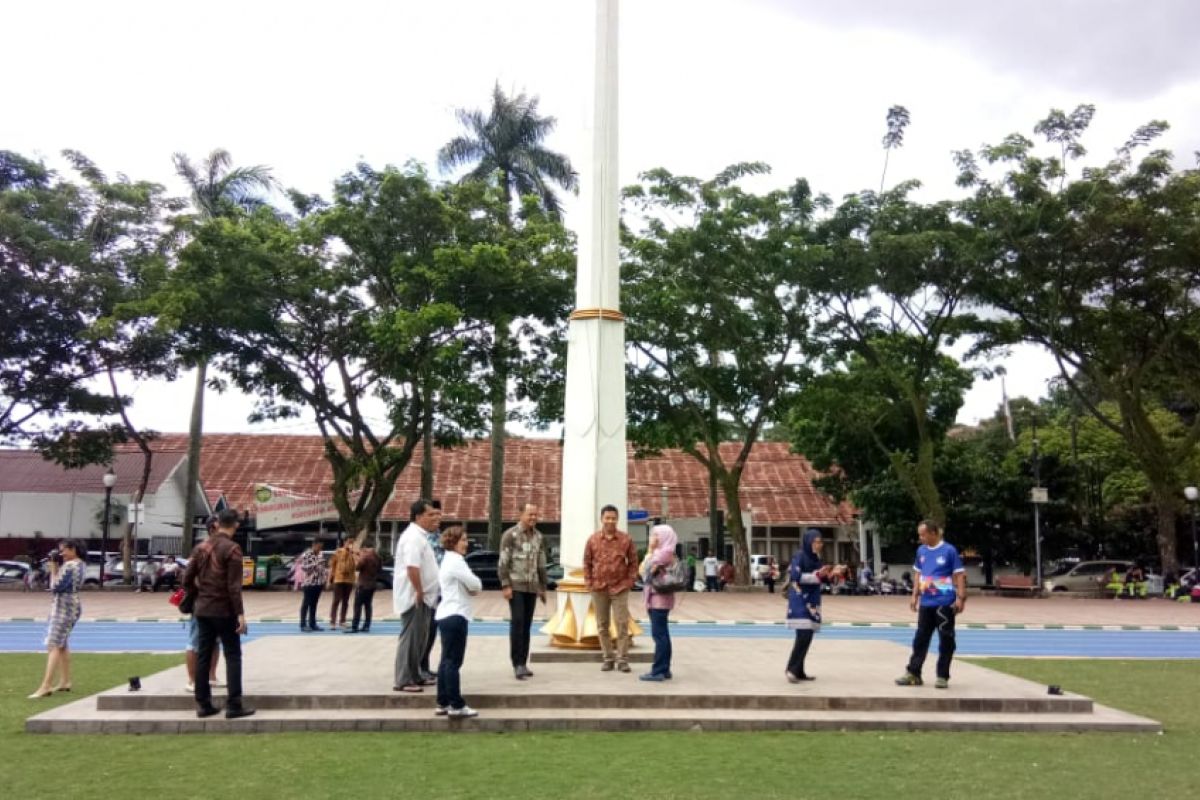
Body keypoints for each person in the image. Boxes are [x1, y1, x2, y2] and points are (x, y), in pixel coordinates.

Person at [183, 508, 254, 719]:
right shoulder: (232, 549)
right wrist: (240, 614)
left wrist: (199, 592)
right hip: (224, 610)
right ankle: (234, 704)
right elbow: (234, 587)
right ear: (236, 525)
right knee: (232, 654)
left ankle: (203, 704)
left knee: (203, 654)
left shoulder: (201, 548)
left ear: (217, 523)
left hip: (202, 609)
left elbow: (186, 579)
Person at [896, 520, 966, 690]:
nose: (920, 538)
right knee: (920, 638)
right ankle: (914, 673)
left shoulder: (949, 550)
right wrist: (915, 595)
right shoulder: (921, 551)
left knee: (946, 639)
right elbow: (918, 574)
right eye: (919, 534)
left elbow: (959, 575)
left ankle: (942, 676)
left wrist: (961, 598)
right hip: (926, 603)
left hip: (944, 603)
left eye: (923, 534)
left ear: (933, 533)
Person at [583, 504, 639, 673]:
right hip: (599, 589)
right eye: (607, 518)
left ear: (617, 519)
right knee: (602, 625)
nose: (610, 521)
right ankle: (608, 657)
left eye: (613, 518)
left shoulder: (626, 540)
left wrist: (629, 581)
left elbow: (634, 563)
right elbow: (587, 562)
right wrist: (589, 582)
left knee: (622, 623)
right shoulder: (592, 540)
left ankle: (622, 659)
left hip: (620, 588)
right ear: (601, 519)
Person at [393, 499, 441, 693]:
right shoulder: (413, 537)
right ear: (418, 517)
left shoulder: (422, 537)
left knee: (420, 639)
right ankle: (403, 679)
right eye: (430, 515)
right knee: (411, 638)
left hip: (425, 596)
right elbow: (412, 567)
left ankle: (415, 675)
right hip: (415, 596)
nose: (435, 519)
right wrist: (419, 590)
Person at [434, 526, 482, 718]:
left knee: (445, 660)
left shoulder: (448, 560)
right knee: (453, 661)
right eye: (463, 540)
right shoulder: (456, 561)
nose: (466, 543)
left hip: (447, 614)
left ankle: (442, 701)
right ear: (453, 542)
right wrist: (472, 587)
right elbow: (475, 584)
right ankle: (456, 704)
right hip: (456, 614)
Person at [29, 539, 86, 698]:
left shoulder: (70, 566)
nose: (61, 554)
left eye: (63, 551)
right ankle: (65, 681)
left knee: (53, 644)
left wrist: (53, 568)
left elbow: (55, 586)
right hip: (70, 606)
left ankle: (46, 685)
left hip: (64, 608)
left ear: (73, 549)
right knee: (62, 645)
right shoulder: (81, 564)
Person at [498, 502, 548, 680]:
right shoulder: (510, 535)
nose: (533, 518)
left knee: (527, 625)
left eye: (535, 514)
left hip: (531, 586)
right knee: (517, 623)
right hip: (516, 586)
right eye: (530, 514)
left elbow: (541, 563)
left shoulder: (539, 537)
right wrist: (505, 585)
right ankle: (516, 663)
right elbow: (503, 561)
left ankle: (523, 662)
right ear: (520, 514)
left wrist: (542, 586)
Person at [786, 529, 831, 682]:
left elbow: (821, 578)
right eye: (816, 541)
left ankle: (799, 670)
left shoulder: (817, 559)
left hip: (812, 600)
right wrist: (817, 575)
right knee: (803, 634)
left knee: (807, 635)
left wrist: (831, 574)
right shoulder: (799, 556)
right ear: (809, 542)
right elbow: (795, 576)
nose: (820, 545)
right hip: (800, 600)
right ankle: (791, 669)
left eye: (821, 542)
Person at [639, 524, 679, 682]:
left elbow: (643, 572)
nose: (652, 538)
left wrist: (649, 550)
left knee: (659, 635)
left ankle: (658, 671)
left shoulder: (662, 554)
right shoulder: (667, 553)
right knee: (663, 635)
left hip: (658, 599)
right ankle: (665, 668)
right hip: (661, 598)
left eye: (655, 535)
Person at [347, 542, 381, 633]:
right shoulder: (377, 557)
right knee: (368, 605)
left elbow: (357, 567)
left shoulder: (365, 557)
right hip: (372, 584)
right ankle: (366, 625)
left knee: (357, 605)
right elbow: (379, 569)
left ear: (365, 548)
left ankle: (355, 626)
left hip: (363, 585)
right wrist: (358, 554)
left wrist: (356, 558)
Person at [296, 539, 328, 632]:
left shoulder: (320, 554)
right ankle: (303, 624)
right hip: (309, 583)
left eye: (321, 547)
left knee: (314, 604)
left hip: (318, 582)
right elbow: (304, 568)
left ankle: (312, 623)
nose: (320, 549)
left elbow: (322, 568)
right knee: (306, 603)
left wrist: (324, 577)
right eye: (318, 546)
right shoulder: (307, 554)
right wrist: (316, 563)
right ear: (314, 545)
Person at [327, 538, 356, 629]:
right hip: (338, 579)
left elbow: (357, 565)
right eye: (349, 542)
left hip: (349, 580)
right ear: (345, 543)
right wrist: (329, 580)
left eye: (352, 543)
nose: (350, 544)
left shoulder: (354, 554)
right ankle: (332, 621)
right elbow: (332, 566)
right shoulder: (338, 552)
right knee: (336, 600)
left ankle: (342, 620)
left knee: (345, 601)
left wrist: (353, 553)